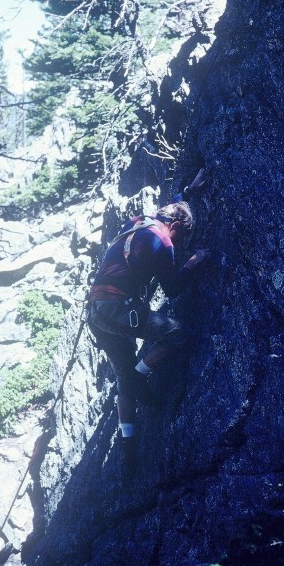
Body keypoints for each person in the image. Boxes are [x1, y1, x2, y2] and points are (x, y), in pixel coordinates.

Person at [87, 169, 209, 475]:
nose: (178, 242)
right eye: (181, 235)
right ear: (177, 227)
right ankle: (139, 376)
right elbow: (173, 288)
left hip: (96, 312)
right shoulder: (163, 241)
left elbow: (170, 208)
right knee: (177, 335)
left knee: (122, 378)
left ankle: (128, 446)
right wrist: (193, 262)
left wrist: (188, 191)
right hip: (118, 309)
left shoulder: (139, 223)